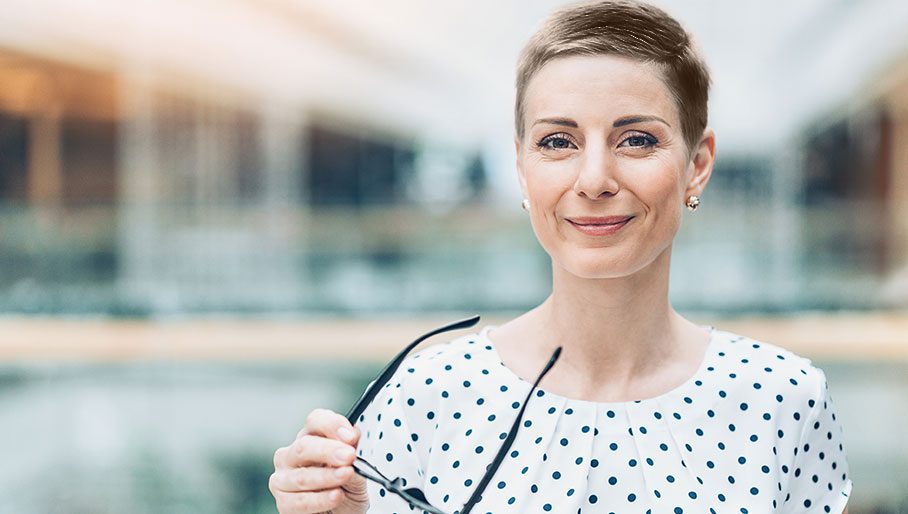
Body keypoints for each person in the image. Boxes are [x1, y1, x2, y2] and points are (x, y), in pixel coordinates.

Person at [269, 1, 854, 512]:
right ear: (523, 167)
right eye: (558, 142)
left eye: (637, 139)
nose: (594, 178)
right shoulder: (428, 393)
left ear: (697, 164)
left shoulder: (783, 397)